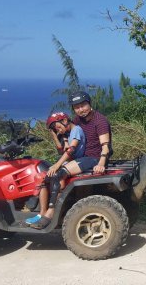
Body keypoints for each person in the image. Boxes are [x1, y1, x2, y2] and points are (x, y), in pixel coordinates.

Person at [30, 91, 112, 229]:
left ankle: (50, 213)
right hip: (80, 158)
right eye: (76, 107)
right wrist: (63, 139)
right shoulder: (77, 120)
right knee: (48, 178)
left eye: (83, 105)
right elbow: (69, 132)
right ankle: (46, 212)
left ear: (89, 103)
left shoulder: (100, 120)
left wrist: (101, 164)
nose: (80, 109)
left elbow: (106, 146)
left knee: (59, 174)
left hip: (94, 158)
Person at [25, 112, 85, 226]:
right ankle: (42, 213)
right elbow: (60, 150)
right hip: (69, 162)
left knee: (56, 180)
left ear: (65, 121)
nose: (58, 130)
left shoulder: (76, 130)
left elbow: (71, 150)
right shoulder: (69, 133)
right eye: (55, 129)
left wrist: (57, 165)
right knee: (40, 178)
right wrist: (55, 135)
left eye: (57, 127)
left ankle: (52, 213)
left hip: (75, 163)